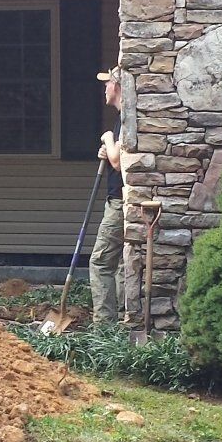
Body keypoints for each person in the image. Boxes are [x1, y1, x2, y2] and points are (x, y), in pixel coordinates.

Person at [88, 67, 126, 324]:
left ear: (118, 86)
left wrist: (108, 139)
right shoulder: (124, 117)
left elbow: (117, 162)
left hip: (120, 203)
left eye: (108, 83)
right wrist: (109, 148)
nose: (104, 88)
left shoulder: (126, 120)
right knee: (123, 265)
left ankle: (104, 327)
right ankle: (125, 321)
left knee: (100, 263)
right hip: (118, 200)